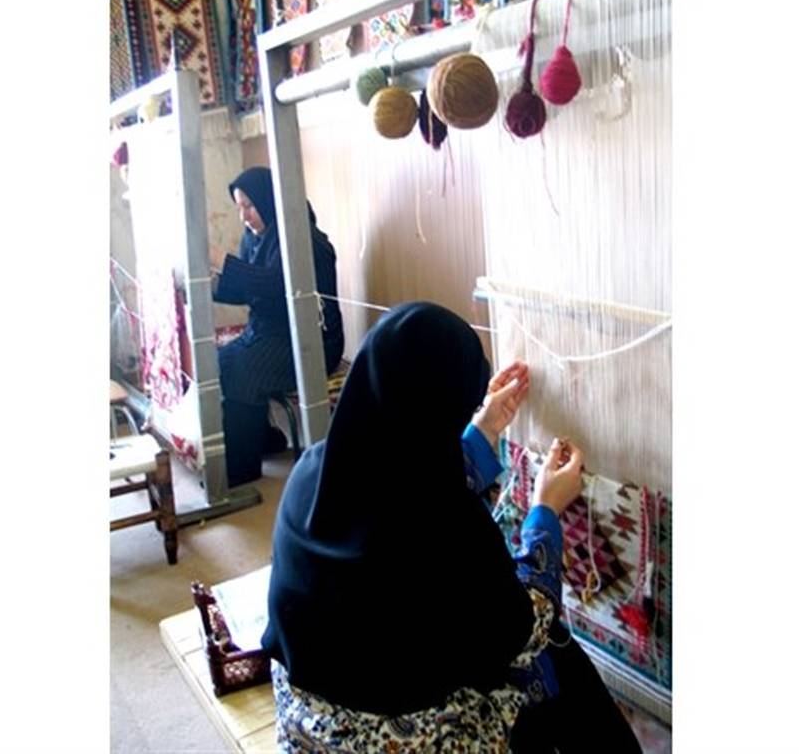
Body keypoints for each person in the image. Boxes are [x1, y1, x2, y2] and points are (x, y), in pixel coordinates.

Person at [262, 302, 641, 752]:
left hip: (306, 727)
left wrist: (482, 430)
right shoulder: (449, 533)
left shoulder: (313, 472)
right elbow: (524, 627)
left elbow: (404, 488)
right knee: (553, 652)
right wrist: (545, 513)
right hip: (399, 740)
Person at [210, 167, 344, 487]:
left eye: (249, 206)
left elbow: (275, 285)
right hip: (271, 333)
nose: (244, 216)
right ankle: (261, 439)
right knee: (221, 361)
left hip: (312, 341)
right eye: (240, 207)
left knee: (244, 369)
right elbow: (249, 290)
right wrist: (209, 286)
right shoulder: (257, 238)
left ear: (269, 201)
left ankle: (240, 469)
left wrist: (223, 262)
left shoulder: (305, 241)